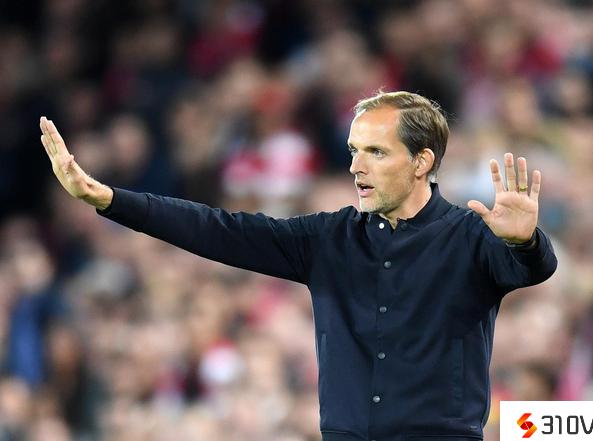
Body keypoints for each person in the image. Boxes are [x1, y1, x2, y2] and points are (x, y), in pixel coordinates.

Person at [40, 91, 557, 441]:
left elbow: (532, 269)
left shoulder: (471, 236)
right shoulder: (328, 239)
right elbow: (218, 230)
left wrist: (525, 240)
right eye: (354, 151)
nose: (355, 166)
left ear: (421, 161)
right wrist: (109, 199)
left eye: (376, 152)